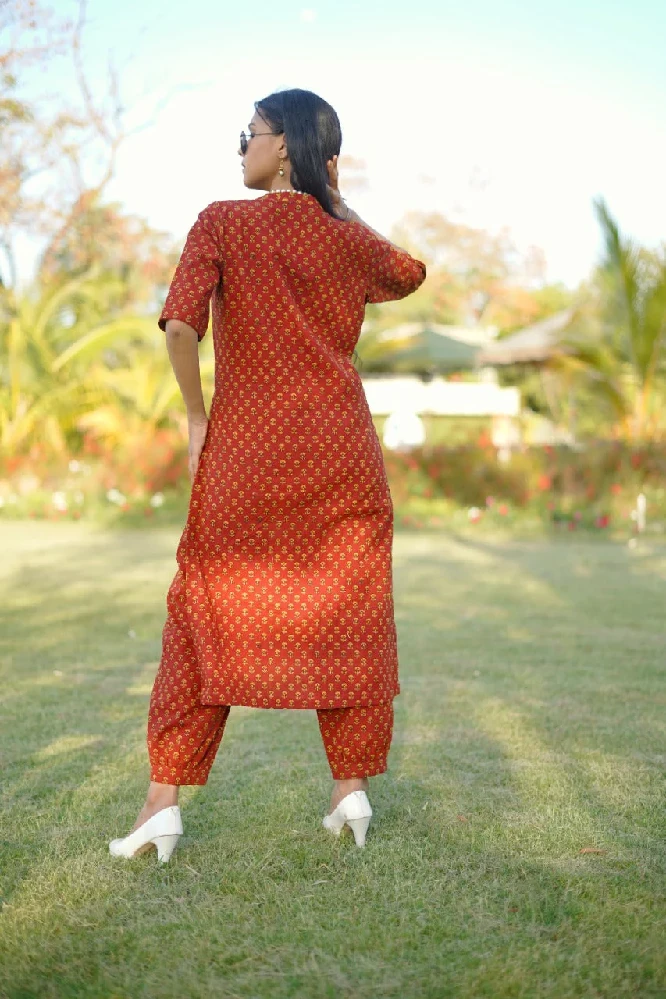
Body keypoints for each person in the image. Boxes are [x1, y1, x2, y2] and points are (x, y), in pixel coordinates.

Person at [109, 88, 426, 862]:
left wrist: (196, 416)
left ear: (283, 145)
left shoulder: (221, 221)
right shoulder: (345, 238)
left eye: (248, 134)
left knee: (200, 611)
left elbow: (180, 324)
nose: (240, 147)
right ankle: (349, 790)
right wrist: (336, 201)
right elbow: (409, 272)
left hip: (246, 453)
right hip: (342, 456)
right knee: (351, 618)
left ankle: (161, 805)